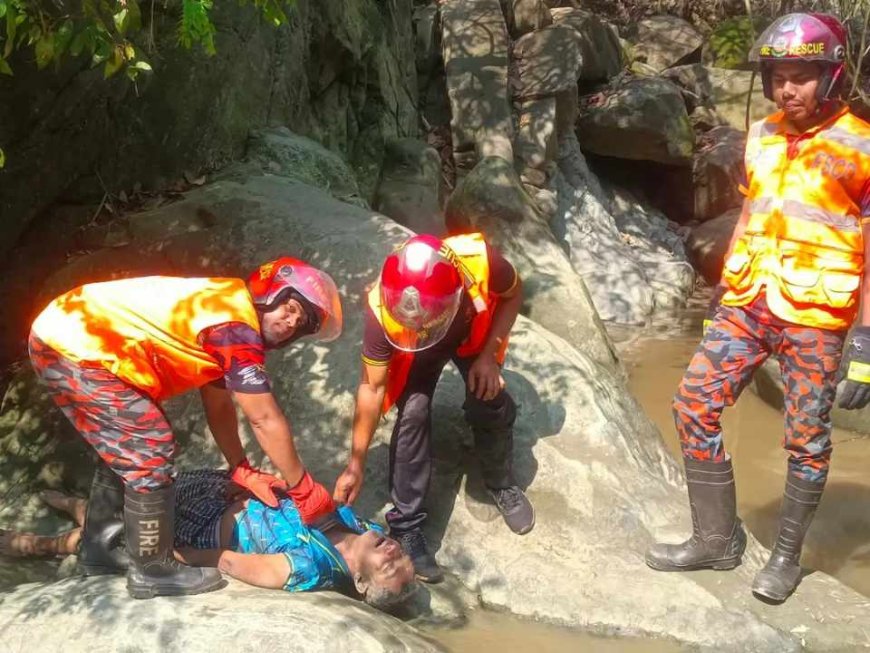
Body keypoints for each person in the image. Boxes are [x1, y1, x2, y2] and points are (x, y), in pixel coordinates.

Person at [645, 13, 870, 603]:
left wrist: (867, 344)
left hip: (815, 317)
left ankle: (788, 559)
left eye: (802, 76)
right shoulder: (763, 135)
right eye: (778, 76)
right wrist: (725, 282)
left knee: (806, 439)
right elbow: (752, 211)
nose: (787, 89)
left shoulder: (863, 148)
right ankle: (715, 539)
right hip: (747, 301)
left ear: (832, 75)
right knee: (693, 405)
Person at [29, 257, 343, 599]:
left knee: (132, 443)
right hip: (74, 344)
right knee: (150, 446)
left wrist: (241, 468)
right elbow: (264, 418)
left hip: (69, 336)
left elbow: (218, 403)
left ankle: (100, 550)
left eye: (301, 323)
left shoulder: (225, 311)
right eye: (291, 307)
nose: (291, 322)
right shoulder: (235, 327)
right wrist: (304, 489)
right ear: (270, 292)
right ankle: (153, 568)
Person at [332, 233, 535, 583]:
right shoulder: (382, 308)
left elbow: (513, 294)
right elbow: (371, 386)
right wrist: (355, 463)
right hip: (418, 350)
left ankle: (500, 481)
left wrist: (489, 356)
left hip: (468, 333)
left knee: (488, 397)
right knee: (412, 412)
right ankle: (407, 526)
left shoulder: (480, 261)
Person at [0, 470, 417, 610]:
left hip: (201, 526)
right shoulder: (355, 520)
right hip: (221, 491)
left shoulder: (309, 567)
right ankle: (80, 505)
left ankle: (41, 544)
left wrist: (166, 552)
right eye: (403, 557)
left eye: (389, 568)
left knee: (123, 532)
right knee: (139, 494)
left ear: (361, 583)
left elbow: (227, 560)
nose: (395, 553)